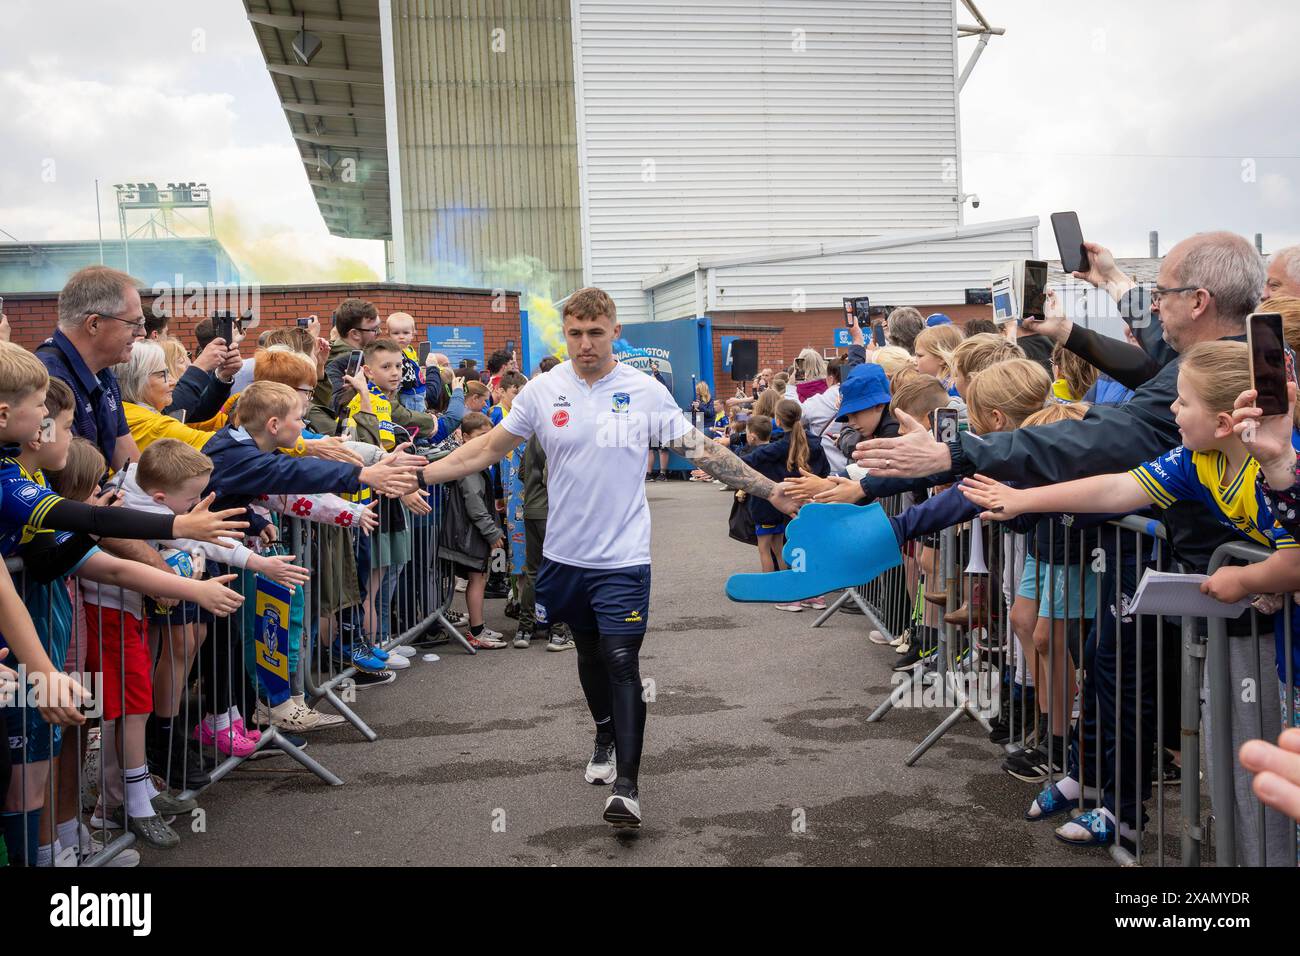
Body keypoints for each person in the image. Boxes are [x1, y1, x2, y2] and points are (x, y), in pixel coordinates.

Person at [421, 286, 797, 830]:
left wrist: (770, 490)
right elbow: (486, 449)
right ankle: (603, 730)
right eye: (575, 333)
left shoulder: (643, 392)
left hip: (623, 556)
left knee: (623, 662)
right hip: (564, 558)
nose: (585, 344)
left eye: (596, 333)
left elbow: (703, 450)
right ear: (565, 334)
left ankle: (628, 787)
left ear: (614, 332)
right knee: (589, 654)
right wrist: (420, 474)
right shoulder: (544, 391)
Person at [440, 412, 507, 648]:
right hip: (469, 532)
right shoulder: (468, 464)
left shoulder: (477, 461)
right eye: (481, 436)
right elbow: (474, 503)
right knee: (477, 579)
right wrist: (491, 532)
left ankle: (479, 628)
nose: (486, 440)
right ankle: (477, 632)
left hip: (470, 531)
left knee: (479, 577)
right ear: (466, 437)